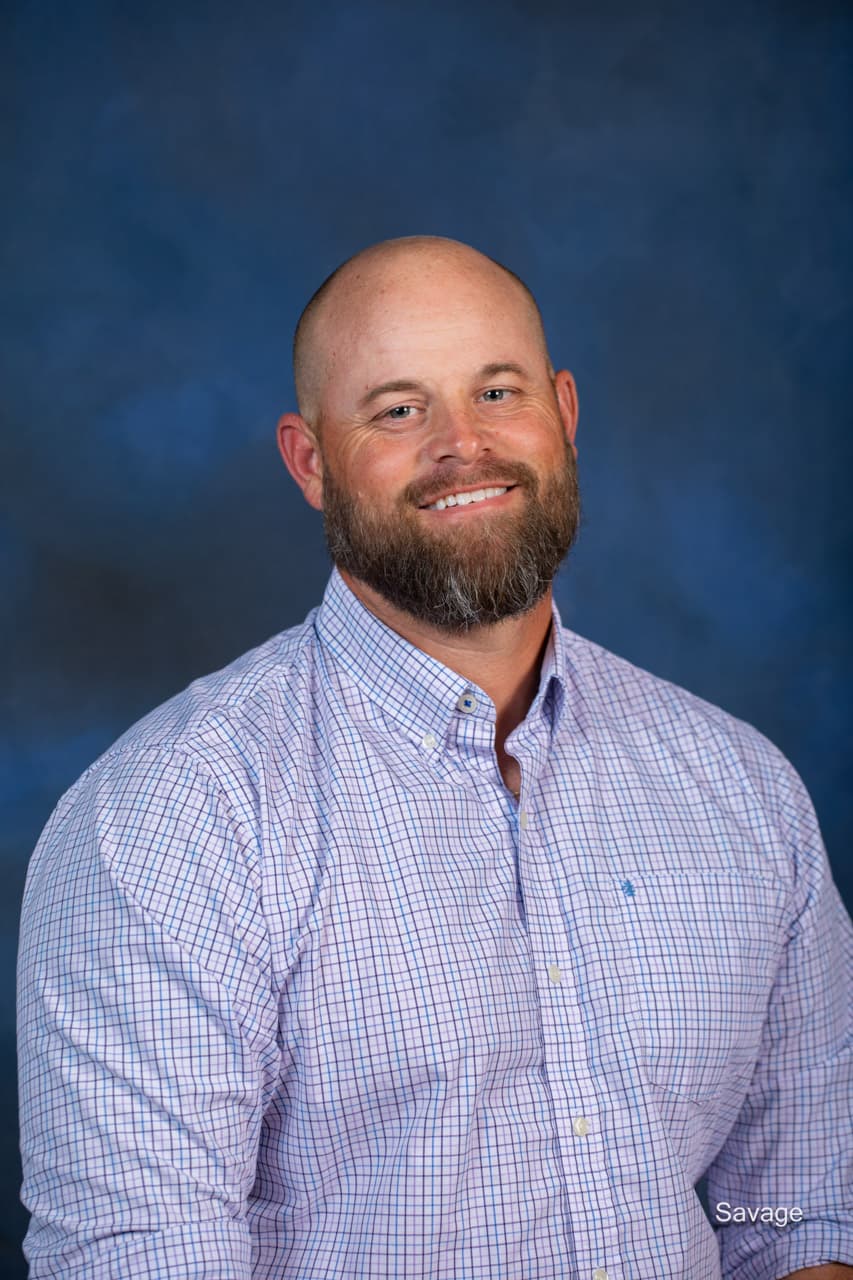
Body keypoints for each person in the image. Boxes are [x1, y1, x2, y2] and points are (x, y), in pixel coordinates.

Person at [17, 236, 852, 1280]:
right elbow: (140, 1257)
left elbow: (801, 1213)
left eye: (496, 390)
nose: (464, 445)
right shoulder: (171, 820)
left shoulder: (740, 788)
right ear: (310, 461)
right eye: (399, 409)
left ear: (564, 415)